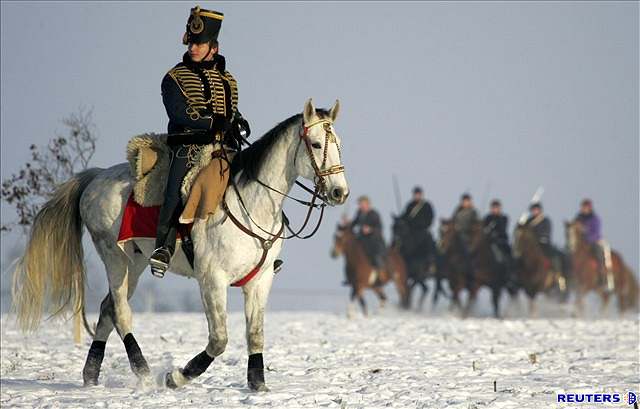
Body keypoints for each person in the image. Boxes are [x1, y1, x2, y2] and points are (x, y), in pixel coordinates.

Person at [149, 6, 250, 277]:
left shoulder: (228, 80)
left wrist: (237, 120)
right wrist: (213, 123)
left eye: (199, 43)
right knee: (174, 191)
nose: (193, 47)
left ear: (213, 47)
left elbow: (229, 109)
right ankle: (164, 247)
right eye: (191, 42)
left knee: (253, 179)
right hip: (188, 146)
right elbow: (181, 114)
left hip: (223, 147)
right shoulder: (175, 77)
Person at [350, 195, 386, 281]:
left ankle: (380, 273)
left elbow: (379, 228)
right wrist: (347, 223)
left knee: (376, 256)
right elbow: (354, 224)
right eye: (360, 204)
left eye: (362, 204)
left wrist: (370, 230)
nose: (360, 206)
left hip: (374, 241)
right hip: (362, 240)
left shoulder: (374, 214)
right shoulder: (359, 213)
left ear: (367, 204)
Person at [483, 199, 515, 289]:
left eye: (496, 208)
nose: (495, 210)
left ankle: (511, 275)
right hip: (489, 242)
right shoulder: (487, 218)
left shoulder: (504, 218)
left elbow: (502, 229)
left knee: (509, 255)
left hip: (501, 241)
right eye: (493, 208)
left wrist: (495, 233)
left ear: (500, 208)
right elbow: (484, 228)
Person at [401, 186, 435, 261]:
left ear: (421, 195)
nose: (417, 196)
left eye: (418, 194)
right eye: (415, 194)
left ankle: (431, 260)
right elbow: (405, 216)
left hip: (422, 230)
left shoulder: (426, 205)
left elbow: (430, 217)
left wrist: (424, 225)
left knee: (430, 243)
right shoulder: (410, 205)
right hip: (411, 231)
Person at [574, 198, 606, 278]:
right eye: (582, 207)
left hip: (593, 242)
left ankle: (601, 273)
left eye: (585, 207)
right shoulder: (578, 218)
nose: (583, 209)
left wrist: (584, 231)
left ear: (589, 208)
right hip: (580, 243)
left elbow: (596, 233)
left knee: (598, 253)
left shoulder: (595, 219)